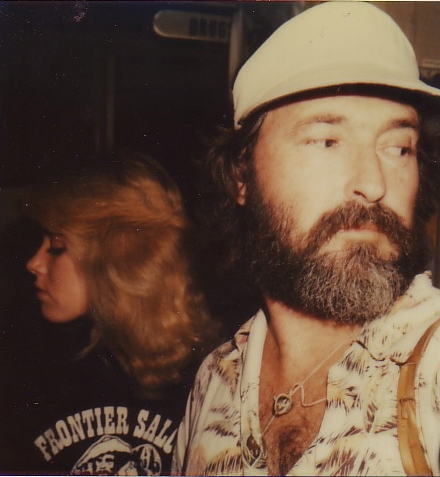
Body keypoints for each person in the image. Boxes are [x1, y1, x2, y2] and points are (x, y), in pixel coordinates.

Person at [172, 2, 440, 476]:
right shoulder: (214, 381)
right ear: (241, 175)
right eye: (326, 141)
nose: (373, 184)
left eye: (399, 148)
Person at [0, 156, 219, 476]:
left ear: (115, 254)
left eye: (56, 245)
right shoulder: (24, 358)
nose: (34, 263)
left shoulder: (212, 372)